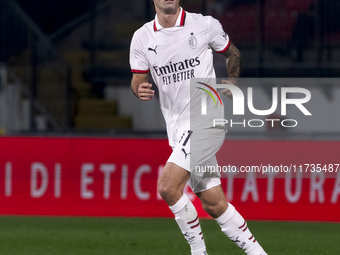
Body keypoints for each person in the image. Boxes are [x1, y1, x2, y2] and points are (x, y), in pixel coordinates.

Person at [129, 1, 267, 254]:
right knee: (214, 203)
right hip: (178, 128)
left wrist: (233, 80)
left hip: (206, 119)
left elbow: (233, 52)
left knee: (168, 187)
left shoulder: (204, 25)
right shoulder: (142, 37)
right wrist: (140, 90)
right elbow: (138, 80)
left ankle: (198, 252)